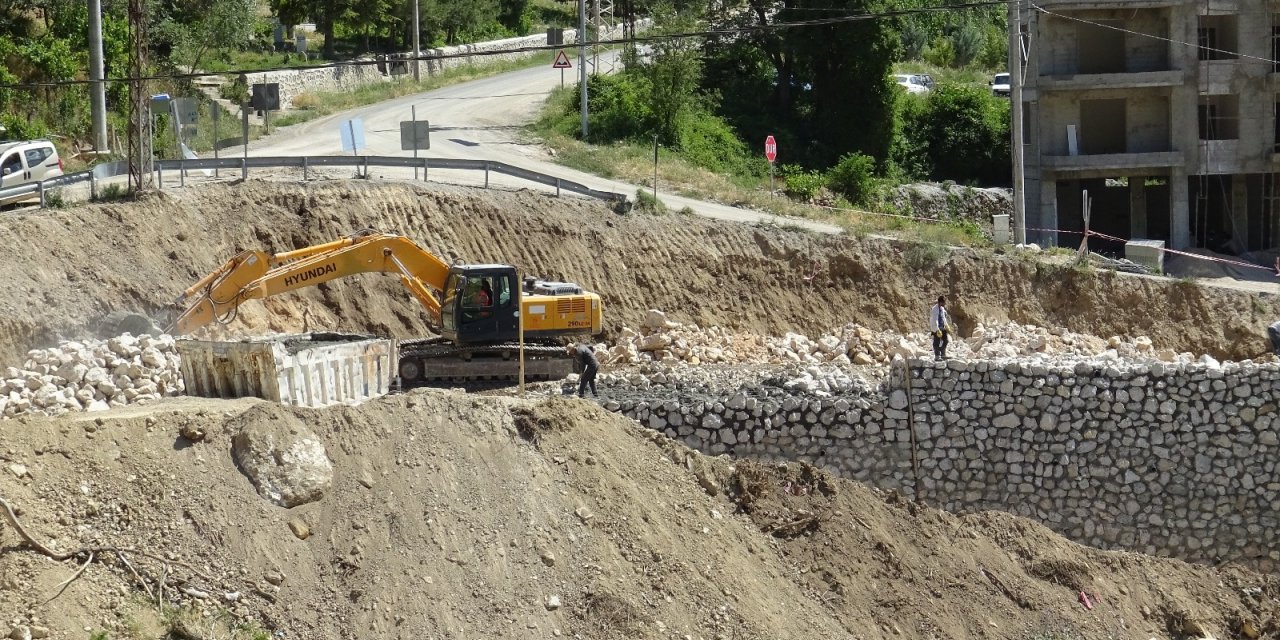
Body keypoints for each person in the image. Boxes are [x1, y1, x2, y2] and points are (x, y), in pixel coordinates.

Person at [928, 295, 951, 361]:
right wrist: (937, 329)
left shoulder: (942, 309)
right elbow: (935, 320)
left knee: (946, 340)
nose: (945, 304)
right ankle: (937, 355)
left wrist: (947, 327)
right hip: (936, 328)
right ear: (941, 302)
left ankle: (943, 353)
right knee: (936, 342)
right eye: (944, 302)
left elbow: (944, 318)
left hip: (942, 327)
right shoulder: (934, 309)